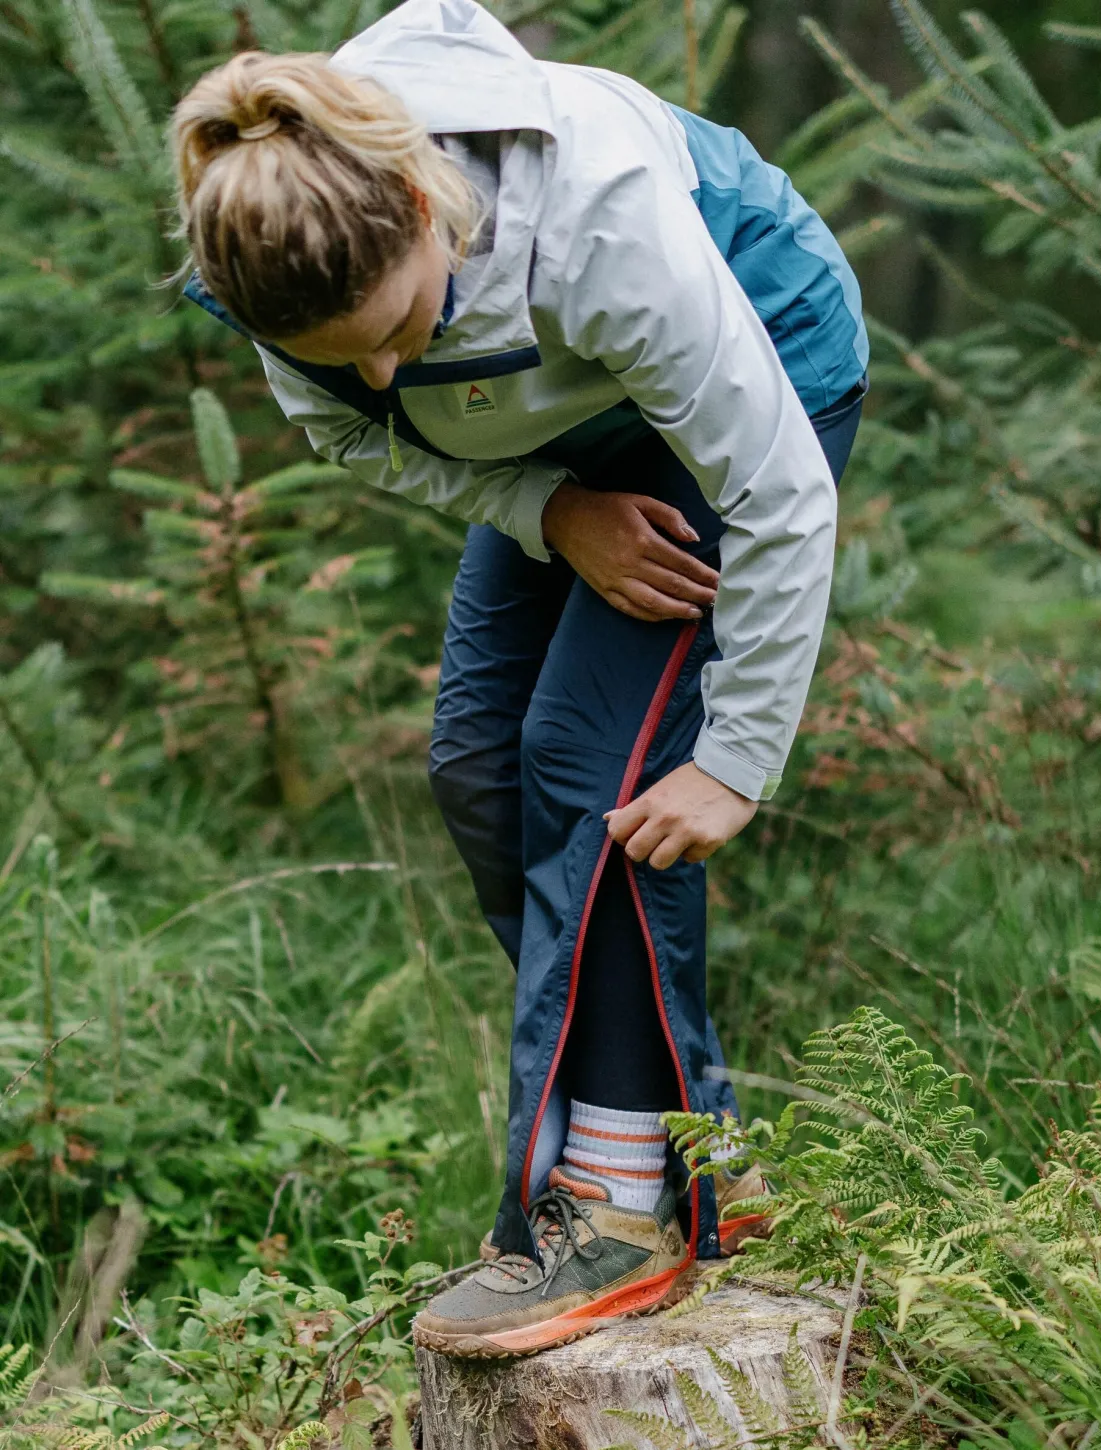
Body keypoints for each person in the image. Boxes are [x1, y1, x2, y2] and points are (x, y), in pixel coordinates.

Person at [171, 0, 867, 1359]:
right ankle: (696, 1143)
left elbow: (778, 490)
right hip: (551, 441)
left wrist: (734, 761)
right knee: (480, 768)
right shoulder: (278, 246)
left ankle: (620, 1205)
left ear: (426, 206)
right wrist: (550, 508)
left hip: (758, 367)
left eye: (398, 323)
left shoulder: (599, 217)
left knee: (592, 766)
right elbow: (359, 438)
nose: (383, 370)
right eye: (343, 355)